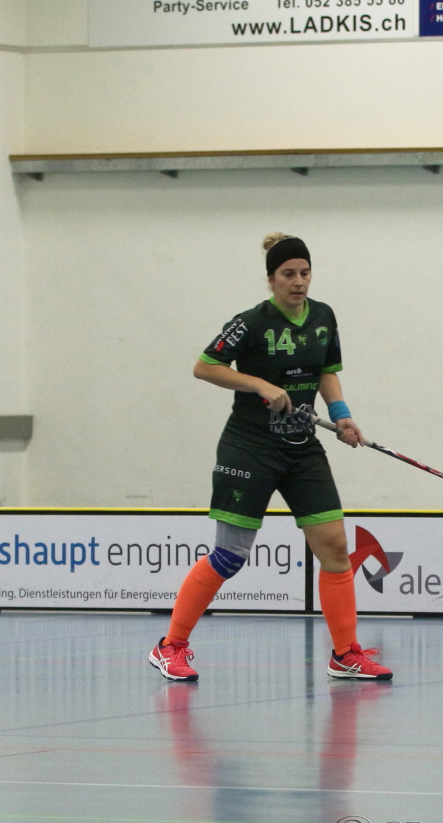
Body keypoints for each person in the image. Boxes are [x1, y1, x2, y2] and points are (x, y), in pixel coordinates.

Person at [148, 233, 392, 682]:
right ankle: (170, 646)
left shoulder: (323, 316)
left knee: (335, 547)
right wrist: (259, 384)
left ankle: (344, 654)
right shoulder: (250, 323)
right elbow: (204, 366)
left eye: (305, 273)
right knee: (230, 555)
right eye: (288, 274)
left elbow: (326, 371)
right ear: (271, 279)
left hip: (301, 447)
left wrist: (341, 415)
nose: (298, 282)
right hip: (249, 448)